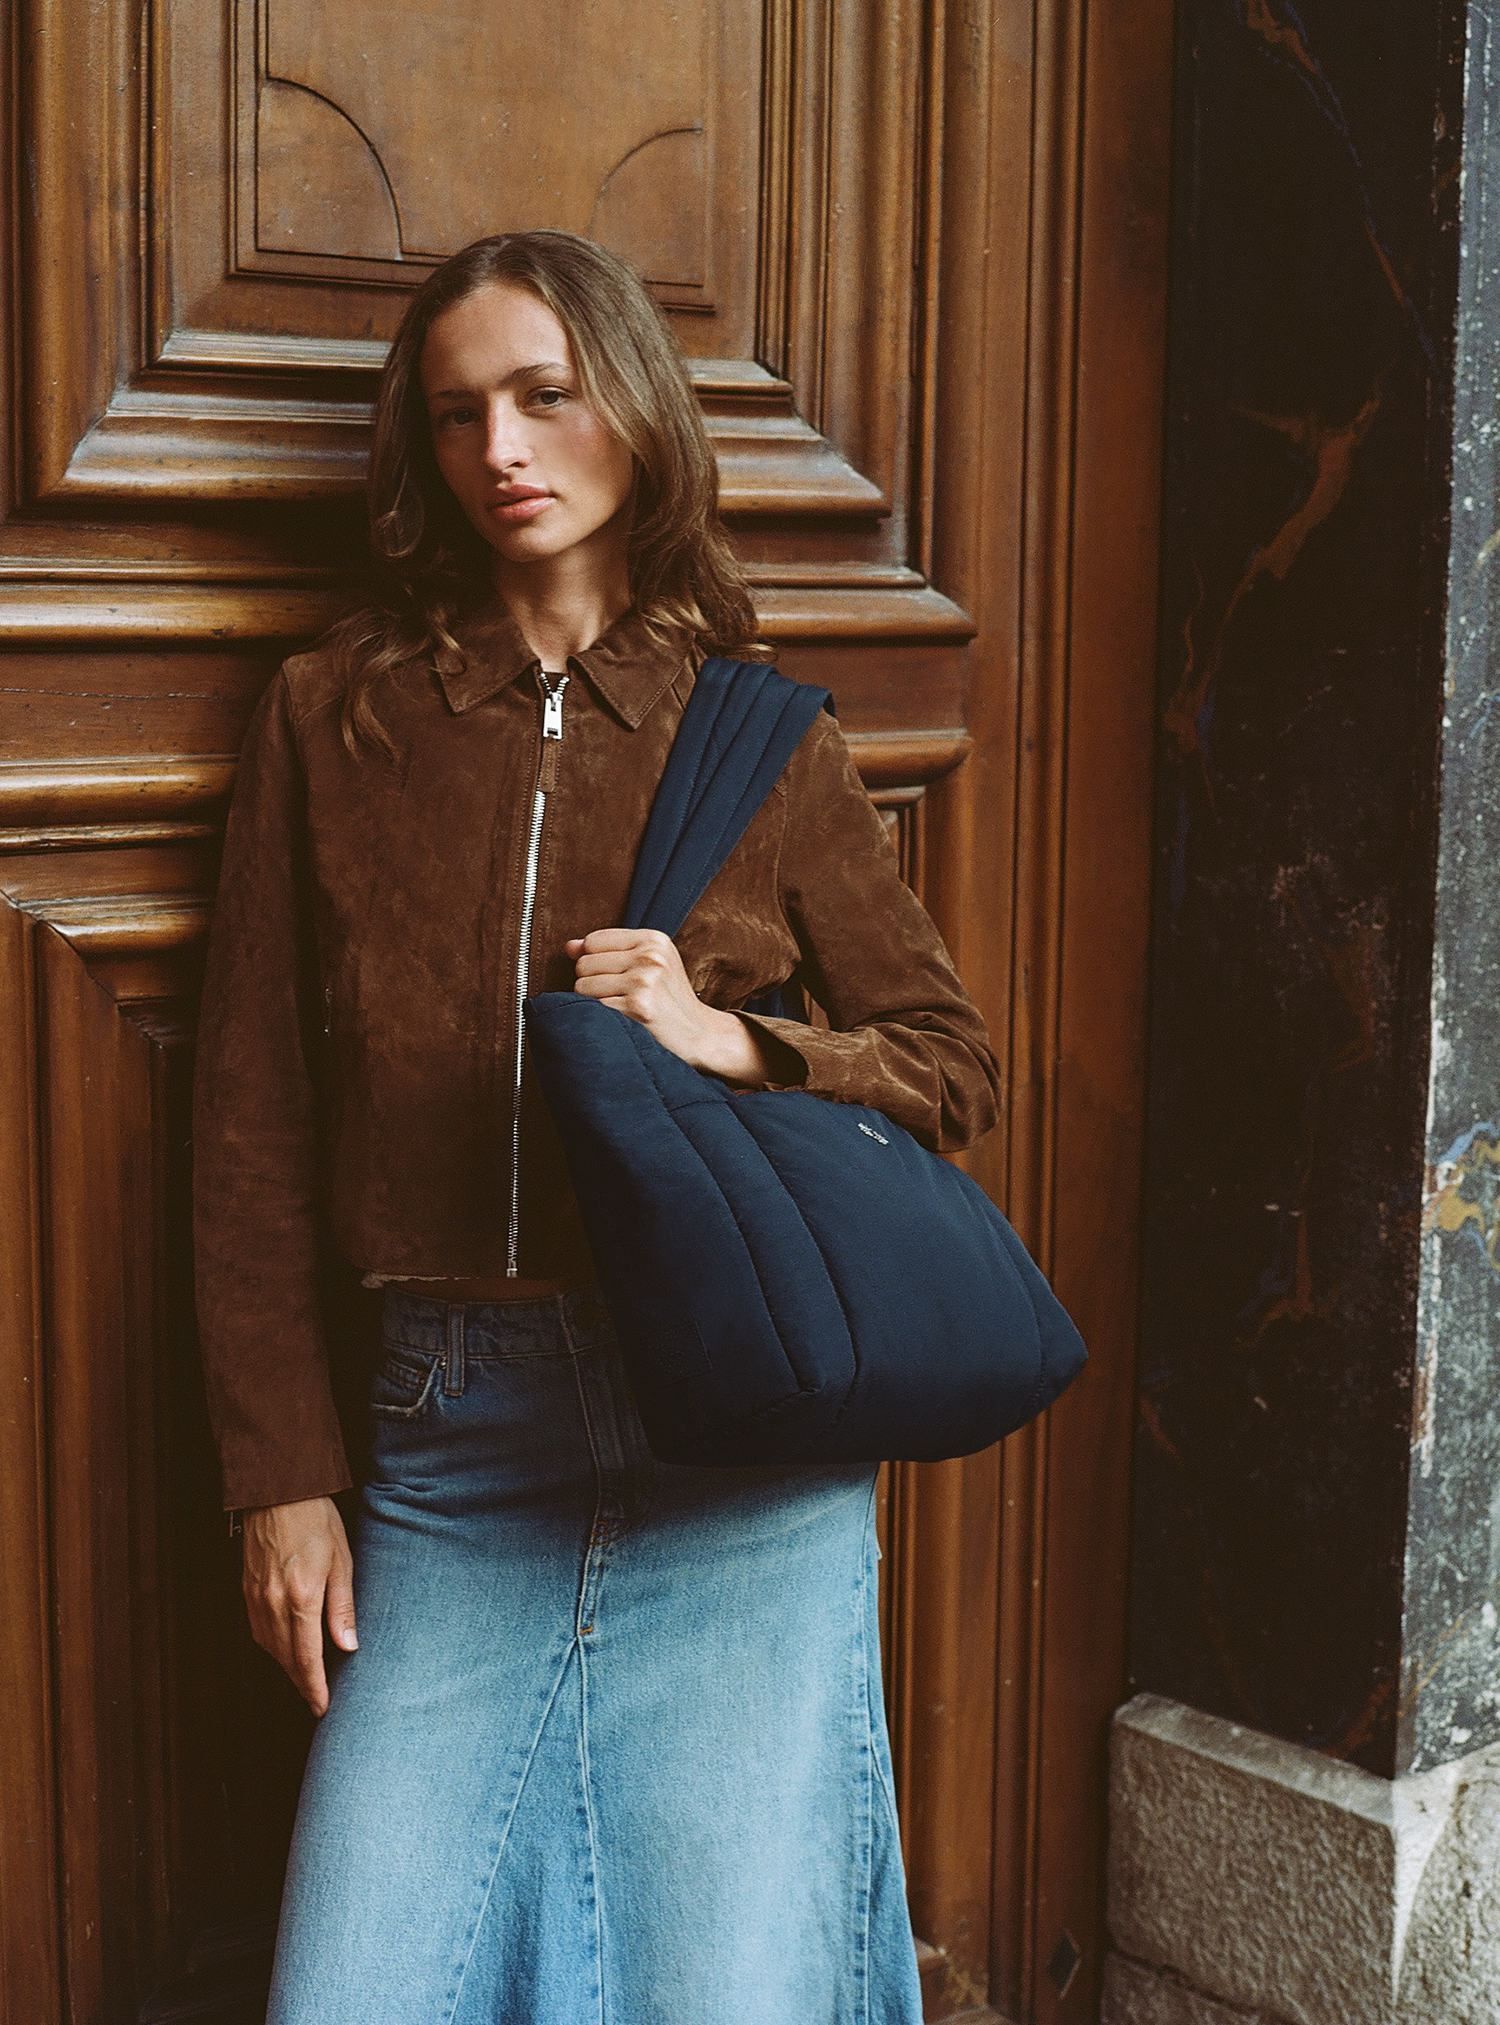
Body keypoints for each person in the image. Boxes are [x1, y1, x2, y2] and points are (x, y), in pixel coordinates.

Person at [193, 228, 1001, 2025]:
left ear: (632, 406)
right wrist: (280, 1474)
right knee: (354, 1985)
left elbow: (949, 1065)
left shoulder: (758, 738)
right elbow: (249, 1123)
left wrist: (732, 1040)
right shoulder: (337, 720)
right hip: (448, 1449)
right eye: (458, 411)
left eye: (545, 395)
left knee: (727, 1989)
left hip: (734, 1450)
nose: (501, 448)